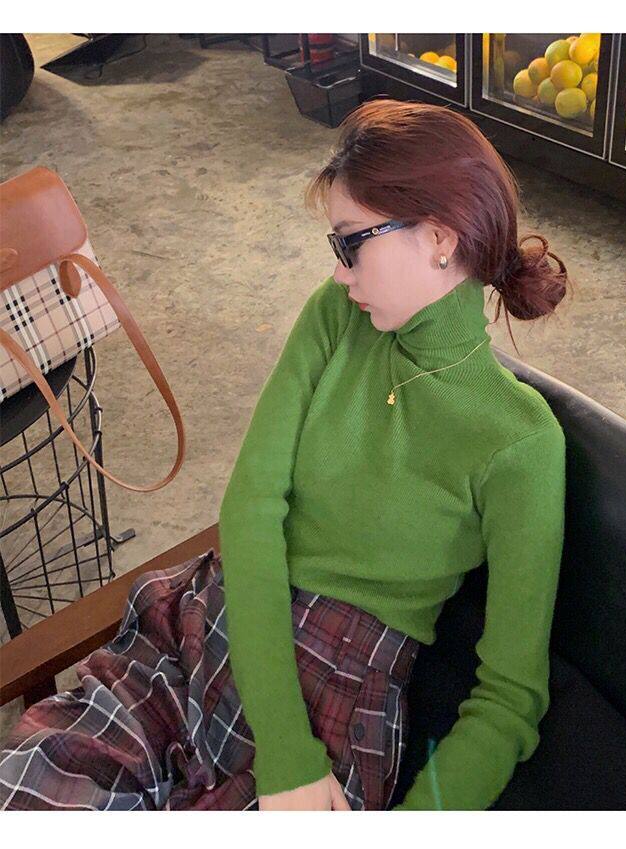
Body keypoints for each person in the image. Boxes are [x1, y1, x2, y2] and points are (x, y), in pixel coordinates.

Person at [0, 97, 568, 811]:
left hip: (341, 696)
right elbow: (251, 507)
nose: (340, 273)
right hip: (211, 629)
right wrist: (282, 743)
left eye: (350, 244)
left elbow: (511, 697)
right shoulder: (337, 318)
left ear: (439, 238)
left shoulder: (521, 442)